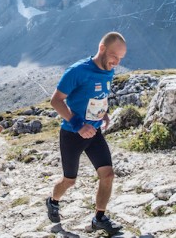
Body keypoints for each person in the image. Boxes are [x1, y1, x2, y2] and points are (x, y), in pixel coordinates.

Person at [45, 32, 127, 235]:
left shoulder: (109, 70)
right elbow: (56, 101)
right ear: (102, 49)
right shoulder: (77, 71)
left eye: (120, 59)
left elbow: (98, 94)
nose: (116, 62)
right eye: (114, 56)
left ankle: (99, 218)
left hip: (95, 132)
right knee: (69, 180)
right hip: (72, 135)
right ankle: (53, 201)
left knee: (107, 175)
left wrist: (103, 112)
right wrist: (78, 124)